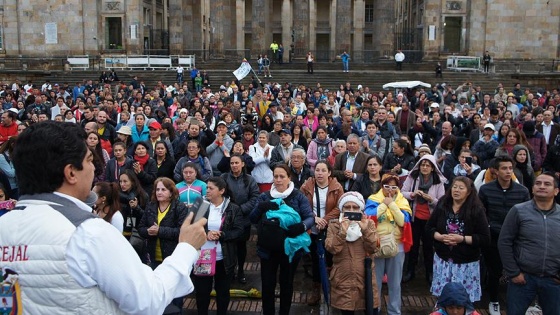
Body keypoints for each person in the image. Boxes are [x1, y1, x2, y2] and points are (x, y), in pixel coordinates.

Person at [0, 121, 207, 314]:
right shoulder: (89, 232)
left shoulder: (4, 225)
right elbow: (149, 300)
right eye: (89, 160)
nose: (94, 168)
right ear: (71, 173)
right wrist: (186, 248)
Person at [249, 164, 314, 315]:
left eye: (282, 176)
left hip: (289, 249)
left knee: (286, 284)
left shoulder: (298, 196)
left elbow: (310, 217)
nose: (278, 180)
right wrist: (261, 208)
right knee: (267, 284)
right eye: (275, 176)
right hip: (267, 249)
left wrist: (302, 226)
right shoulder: (264, 196)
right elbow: (252, 218)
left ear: (289, 178)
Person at [498, 172, 560, 315]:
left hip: (553, 280)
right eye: (538, 183)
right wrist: (513, 272)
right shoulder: (518, 211)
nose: (541, 187)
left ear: (556, 191)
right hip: (523, 279)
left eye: (547, 184)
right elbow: (504, 242)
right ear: (532, 189)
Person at [478, 155, 531, 314]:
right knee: (494, 271)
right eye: (504, 168)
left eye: (510, 168)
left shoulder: (522, 191)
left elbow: (527, 214)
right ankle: (494, 300)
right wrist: (489, 227)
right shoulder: (486, 189)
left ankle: (518, 302)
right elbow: (481, 213)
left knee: (518, 272)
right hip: (493, 237)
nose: (508, 171)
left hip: (516, 238)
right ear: (495, 171)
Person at [426, 176, 490, 302]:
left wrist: (462, 239)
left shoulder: (476, 209)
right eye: (454, 187)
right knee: (443, 300)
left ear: (469, 191)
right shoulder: (443, 204)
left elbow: (485, 238)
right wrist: (439, 236)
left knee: (462, 302)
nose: (456, 190)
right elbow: (429, 227)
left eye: (461, 188)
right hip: (443, 261)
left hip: (466, 264)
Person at [192, 177, 245, 315]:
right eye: (207, 187)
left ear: (221, 191)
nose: (207, 190)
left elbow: (239, 231)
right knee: (202, 293)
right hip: (202, 256)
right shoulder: (200, 204)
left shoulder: (233, 208)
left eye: (211, 188)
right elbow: (191, 227)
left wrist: (222, 235)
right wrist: (206, 233)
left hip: (224, 258)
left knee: (222, 292)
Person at [137, 177, 189, 310]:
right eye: (157, 189)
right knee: (158, 296)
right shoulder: (151, 206)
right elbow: (141, 228)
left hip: (173, 257)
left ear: (171, 192)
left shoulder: (180, 207)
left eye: (163, 190)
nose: (159, 192)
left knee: (175, 298)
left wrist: (160, 231)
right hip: (154, 257)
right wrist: (148, 231)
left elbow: (181, 231)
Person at [364, 173, 413, 315]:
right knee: (375, 282)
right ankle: (375, 309)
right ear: (381, 186)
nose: (390, 190)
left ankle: (394, 311)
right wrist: (383, 205)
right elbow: (370, 217)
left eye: (394, 187)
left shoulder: (403, 201)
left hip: (397, 245)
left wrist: (391, 204)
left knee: (395, 283)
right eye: (387, 186)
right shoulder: (373, 199)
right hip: (377, 244)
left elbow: (403, 221)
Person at [325, 192, 380, 315]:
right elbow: (332, 248)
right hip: (343, 280)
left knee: (371, 309)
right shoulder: (334, 225)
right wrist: (342, 232)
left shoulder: (369, 223)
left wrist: (365, 230)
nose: (351, 211)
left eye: (355, 208)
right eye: (347, 207)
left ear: (361, 209)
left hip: (365, 278)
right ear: (342, 209)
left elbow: (374, 248)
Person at [300, 160, 344, 305]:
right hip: (312, 228)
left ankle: (332, 289)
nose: (319, 173)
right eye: (317, 170)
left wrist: (324, 219)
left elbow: (340, 207)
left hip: (331, 228)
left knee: (331, 259)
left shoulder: (337, 187)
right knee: (315, 259)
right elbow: (302, 205)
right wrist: (314, 218)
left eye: (323, 170)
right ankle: (316, 289)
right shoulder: (307, 186)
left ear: (329, 172)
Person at [401, 154, 447, 283]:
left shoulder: (438, 181)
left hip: (430, 220)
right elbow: (402, 192)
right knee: (413, 246)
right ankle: (410, 271)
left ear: (432, 168)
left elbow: (442, 202)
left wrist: (431, 199)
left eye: (428, 165)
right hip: (414, 218)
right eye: (423, 164)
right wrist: (412, 194)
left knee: (428, 247)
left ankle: (430, 273)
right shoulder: (413, 177)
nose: (425, 167)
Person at [219, 154, 260, 284]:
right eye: (232, 163)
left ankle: (241, 270)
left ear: (242, 164)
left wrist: (240, 209)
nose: (234, 165)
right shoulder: (223, 178)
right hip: (226, 218)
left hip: (243, 219)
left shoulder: (250, 180)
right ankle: (229, 271)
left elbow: (254, 198)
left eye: (237, 163)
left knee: (241, 247)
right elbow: (219, 195)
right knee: (228, 246)